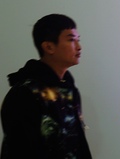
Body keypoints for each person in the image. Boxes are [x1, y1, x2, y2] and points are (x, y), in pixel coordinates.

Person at [0, 14, 92, 159]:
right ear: (49, 47)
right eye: (71, 40)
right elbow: (19, 149)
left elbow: (78, 142)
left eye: (78, 40)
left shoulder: (69, 90)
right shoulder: (25, 93)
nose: (79, 47)